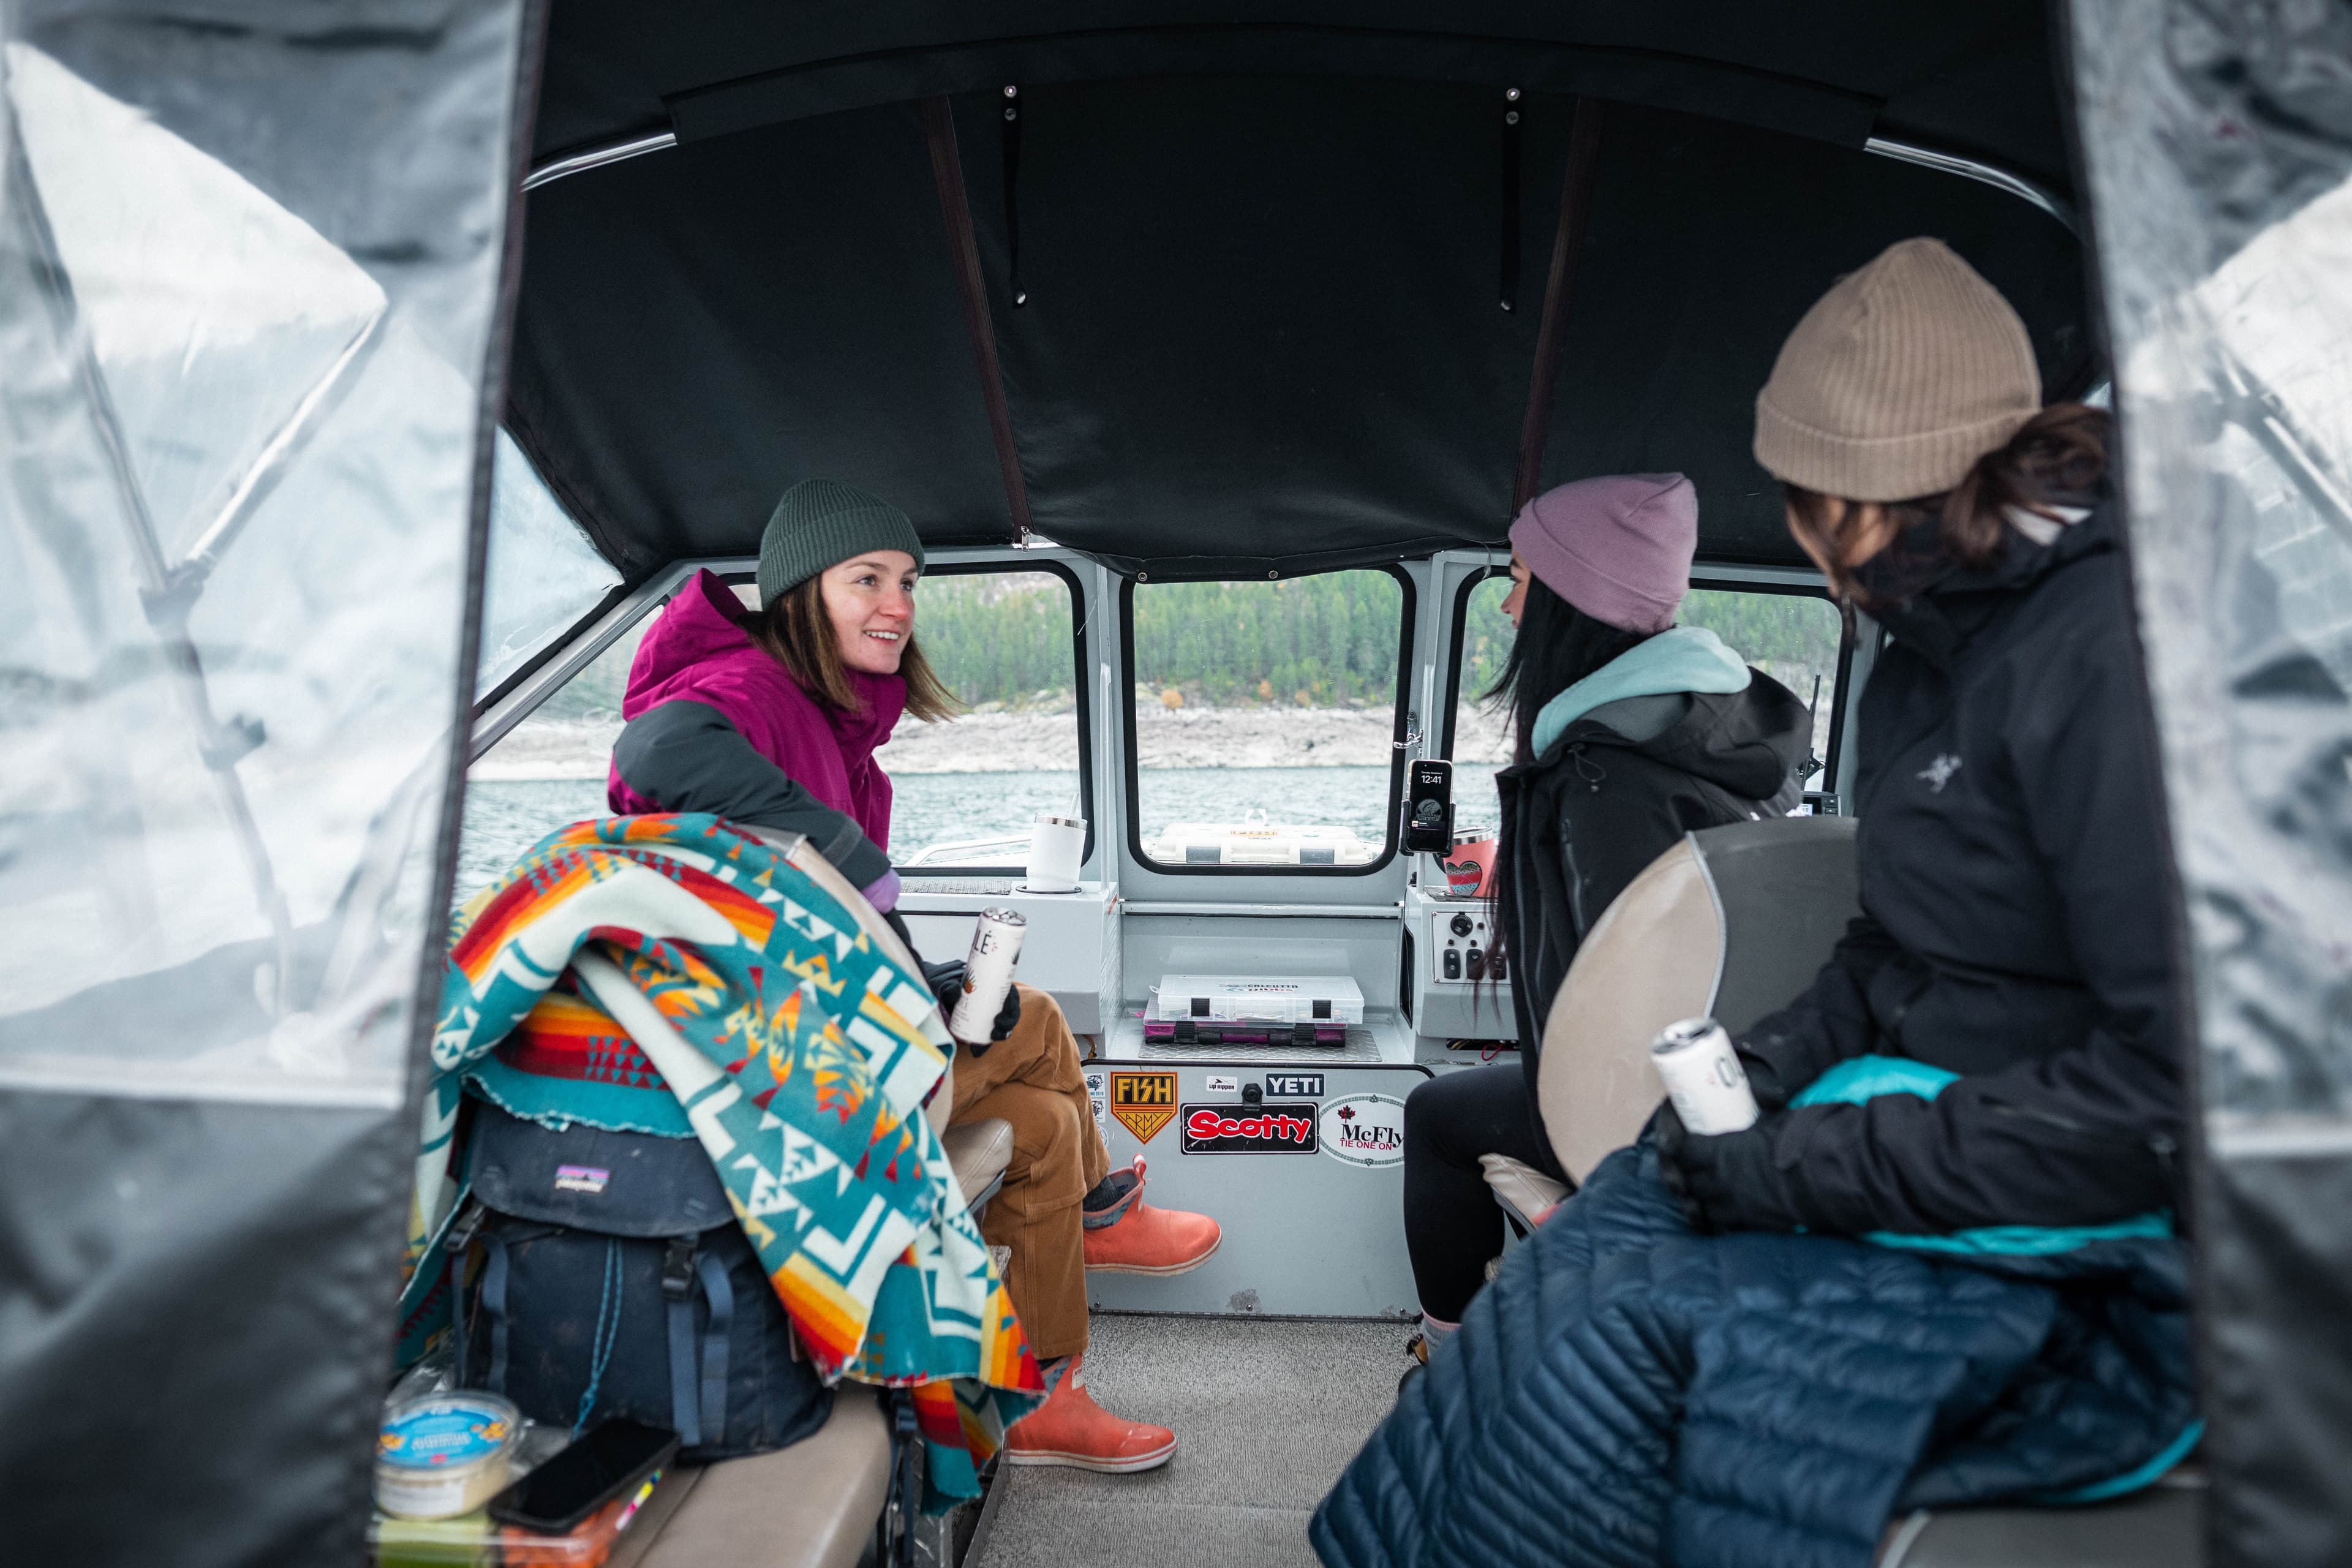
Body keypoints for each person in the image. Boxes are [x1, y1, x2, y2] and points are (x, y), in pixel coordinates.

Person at [606, 477, 1222, 1472]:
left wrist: (914, 975)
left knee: (1045, 1121)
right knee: (1042, 1033)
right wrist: (847, 852)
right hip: (771, 1083)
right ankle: (1103, 1216)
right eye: (868, 579)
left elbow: (815, 921)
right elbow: (655, 748)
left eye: (908, 581)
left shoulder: (830, 716)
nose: (899, 604)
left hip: (818, 1040)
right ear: (800, 589)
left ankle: (1039, 1391)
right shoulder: (747, 691)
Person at [1656, 236, 2182, 1237]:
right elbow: (1897, 942)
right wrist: (1769, 1068)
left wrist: (1806, 1169)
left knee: (1615, 1337)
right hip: (1932, 1131)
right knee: (1611, 1249)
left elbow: (2174, 1089)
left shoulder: (2111, 654)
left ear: (1844, 499)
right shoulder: (1926, 641)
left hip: (2079, 1200)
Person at [1400, 473, 1810, 1365]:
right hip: (1748, 1088)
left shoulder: (1600, 773)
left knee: (1435, 1115)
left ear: (1571, 599)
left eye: (1519, 579)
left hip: (1648, 1116)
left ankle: (1451, 1364)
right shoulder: (1718, 730)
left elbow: (1635, 992)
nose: (1509, 607)